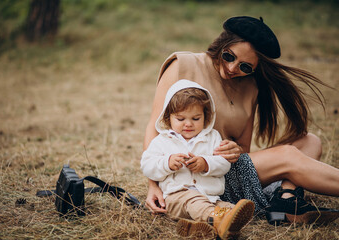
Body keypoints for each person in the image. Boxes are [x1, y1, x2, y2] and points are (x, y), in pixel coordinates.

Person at [143, 16, 339, 226]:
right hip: (193, 177)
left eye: (245, 66)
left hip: (222, 167)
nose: (232, 68)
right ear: (221, 45)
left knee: (310, 141)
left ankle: (286, 200)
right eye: (229, 56)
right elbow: (155, 129)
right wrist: (153, 186)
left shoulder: (251, 87)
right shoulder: (182, 64)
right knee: (287, 155)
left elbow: (243, 148)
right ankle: (284, 202)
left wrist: (233, 149)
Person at [141, 79, 255, 239]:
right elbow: (147, 165)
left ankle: (204, 227)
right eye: (180, 119)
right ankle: (217, 219)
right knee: (194, 201)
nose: (188, 124)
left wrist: (206, 164)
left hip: (210, 197)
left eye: (196, 119)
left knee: (226, 208)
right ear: (168, 118)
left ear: (206, 117)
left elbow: (223, 164)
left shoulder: (212, 137)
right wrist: (167, 163)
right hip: (177, 197)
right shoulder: (162, 141)